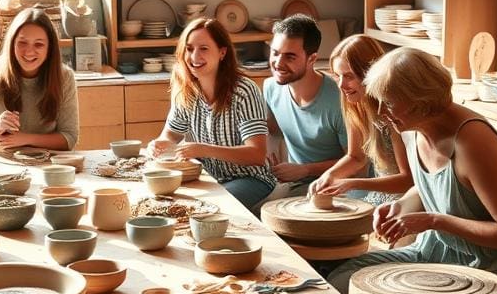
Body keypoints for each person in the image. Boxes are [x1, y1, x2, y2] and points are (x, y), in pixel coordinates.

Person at [328, 48, 497, 294]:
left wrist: (434, 221)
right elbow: (429, 187)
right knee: (341, 280)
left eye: (389, 103)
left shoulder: (471, 141)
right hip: (435, 255)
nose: (380, 113)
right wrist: (398, 208)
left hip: (488, 276)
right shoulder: (411, 128)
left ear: (420, 100)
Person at [147, 18, 275, 213]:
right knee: (161, 203)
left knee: (205, 210)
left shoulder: (244, 91)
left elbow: (257, 154)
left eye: (204, 48)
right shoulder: (186, 89)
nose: (194, 56)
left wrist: (204, 149)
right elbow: (171, 135)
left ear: (222, 52)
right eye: (189, 49)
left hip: (251, 179)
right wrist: (160, 143)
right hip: (210, 178)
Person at [310, 34, 413, 205]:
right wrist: (329, 175)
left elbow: (407, 180)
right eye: (337, 75)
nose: (341, 85)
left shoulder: (392, 112)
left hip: (406, 200)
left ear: (370, 74)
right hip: (379, 194)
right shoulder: (355, 104)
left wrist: (352, 183)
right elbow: (356, 157)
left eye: (349, 76)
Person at [0, 8, 79, 152]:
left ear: (50, 48)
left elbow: (69, 138)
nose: (29, 52)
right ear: (12, 43)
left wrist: (25, 139)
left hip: (50, 166)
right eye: (22, 43)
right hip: (3, 167)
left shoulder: (65, 77)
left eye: (39, 44)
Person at [264, 14, 348, 197]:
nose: (278, 63)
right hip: (295, 183)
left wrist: (305, 170)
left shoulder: (340, 99)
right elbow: (272, 131)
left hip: (338, 186)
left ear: (312, 59)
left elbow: (358, 163)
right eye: (275, 53)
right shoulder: (270, 87)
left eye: (290, 57)